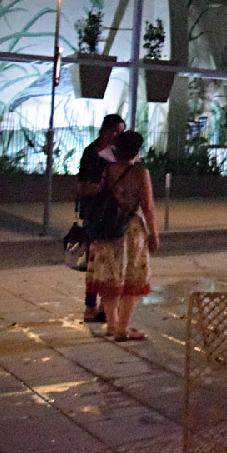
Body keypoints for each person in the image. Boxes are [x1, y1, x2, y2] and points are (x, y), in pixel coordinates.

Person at [85, 130, 158, 341]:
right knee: (132, 280)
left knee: (110, 279)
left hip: (107, 228)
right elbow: (148, 207)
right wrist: (154, 234)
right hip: (130, 230)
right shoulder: (140, 173)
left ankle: (112, 324)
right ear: (136, 152)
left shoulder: (107, 170)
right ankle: (122, 329)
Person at [76, 114, 125, 323]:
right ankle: (91, 306)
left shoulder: (116, 153)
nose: (120, 136)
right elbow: (82, 185)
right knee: (95, 260)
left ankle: (105, 306)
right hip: (96, 213)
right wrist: (103, 187)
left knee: (111, 262)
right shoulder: (92, 153)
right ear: (107, 131)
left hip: (114, 213)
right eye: (118, 132)